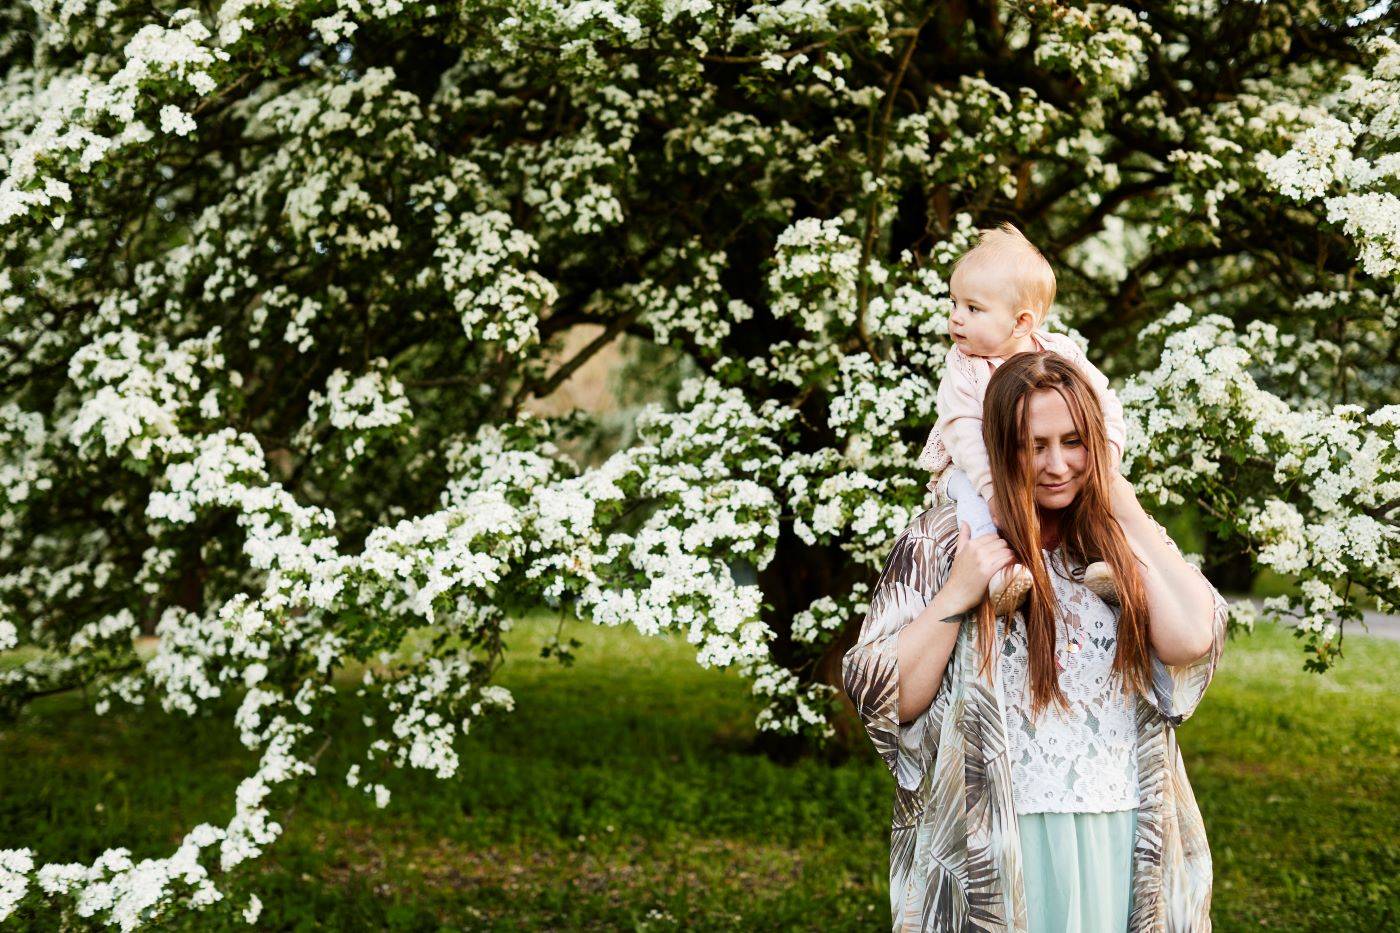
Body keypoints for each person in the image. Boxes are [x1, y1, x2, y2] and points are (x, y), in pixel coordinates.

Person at [845, 352, 1226, 933]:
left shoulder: (1114, 536)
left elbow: (1193, 637)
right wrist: (957, 594)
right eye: (1034, 445)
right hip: (999, 838)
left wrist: (1122, 503)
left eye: (1074, 441)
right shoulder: (948, 536)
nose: (1057, 465)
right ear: (1000, 448)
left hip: (1121, 830)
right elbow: (887, 696)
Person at [915, 224, 1128, 617]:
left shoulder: (1058, 351)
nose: (956, 319)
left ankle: (1105, 563)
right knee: (974, 504)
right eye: (954, 303)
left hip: (1034, 463)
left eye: (973, 308)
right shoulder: (963, 368)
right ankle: (1000, 572)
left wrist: (1107, 457)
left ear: (1021, 323)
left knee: (1102, 494)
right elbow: (964, 437)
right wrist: (994, 490)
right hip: (971, 469)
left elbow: (1104, 404)